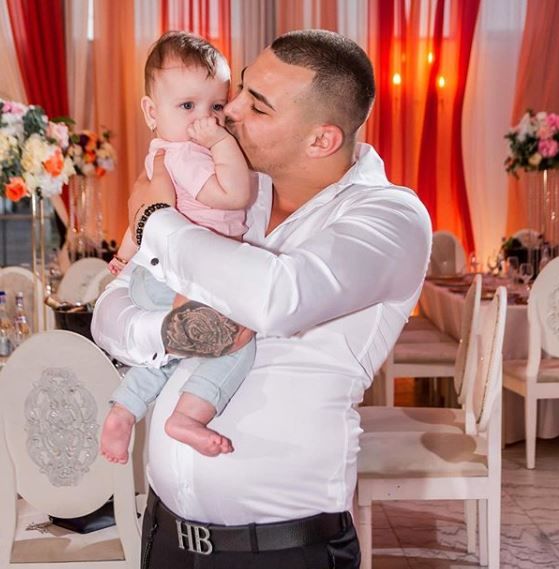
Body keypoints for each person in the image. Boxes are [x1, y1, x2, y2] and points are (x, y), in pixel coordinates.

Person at [93, 29, 432, 569]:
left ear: (321, 139)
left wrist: (153, 218)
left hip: (284, 551)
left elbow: (276, 297)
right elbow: (110, 310)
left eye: (257, 105)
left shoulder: (389, 217)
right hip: (164, 536)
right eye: (242, 89)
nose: (229, 110)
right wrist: (162, 333)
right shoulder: (229, 187)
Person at [99, 32, 255, 465]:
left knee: (169, 355)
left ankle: (125, 408)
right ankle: (187, 416)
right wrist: (222, 143)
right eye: (187, 106)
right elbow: (234, 195)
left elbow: (142, 216)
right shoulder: (187, 155)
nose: (204, 120)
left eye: (216, 107)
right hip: (182, 276)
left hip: (160, 275)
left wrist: (124, 255)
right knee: (237, 344)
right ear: (152, 112)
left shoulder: (162, 156)